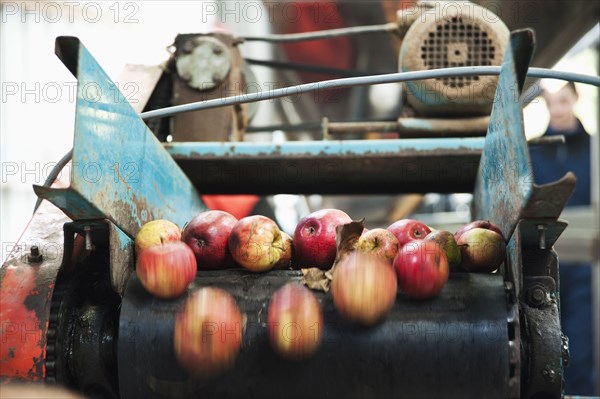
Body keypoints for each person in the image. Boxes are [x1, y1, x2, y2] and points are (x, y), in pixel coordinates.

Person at [529, 81, 596, 395]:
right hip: (545, 263)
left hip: (587, 264)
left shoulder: (594, 149)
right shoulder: (532, 151)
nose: (558, 109)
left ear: (575, 99)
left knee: (582, 350)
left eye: (563, 101)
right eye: (551, 102)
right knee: (545, 350)